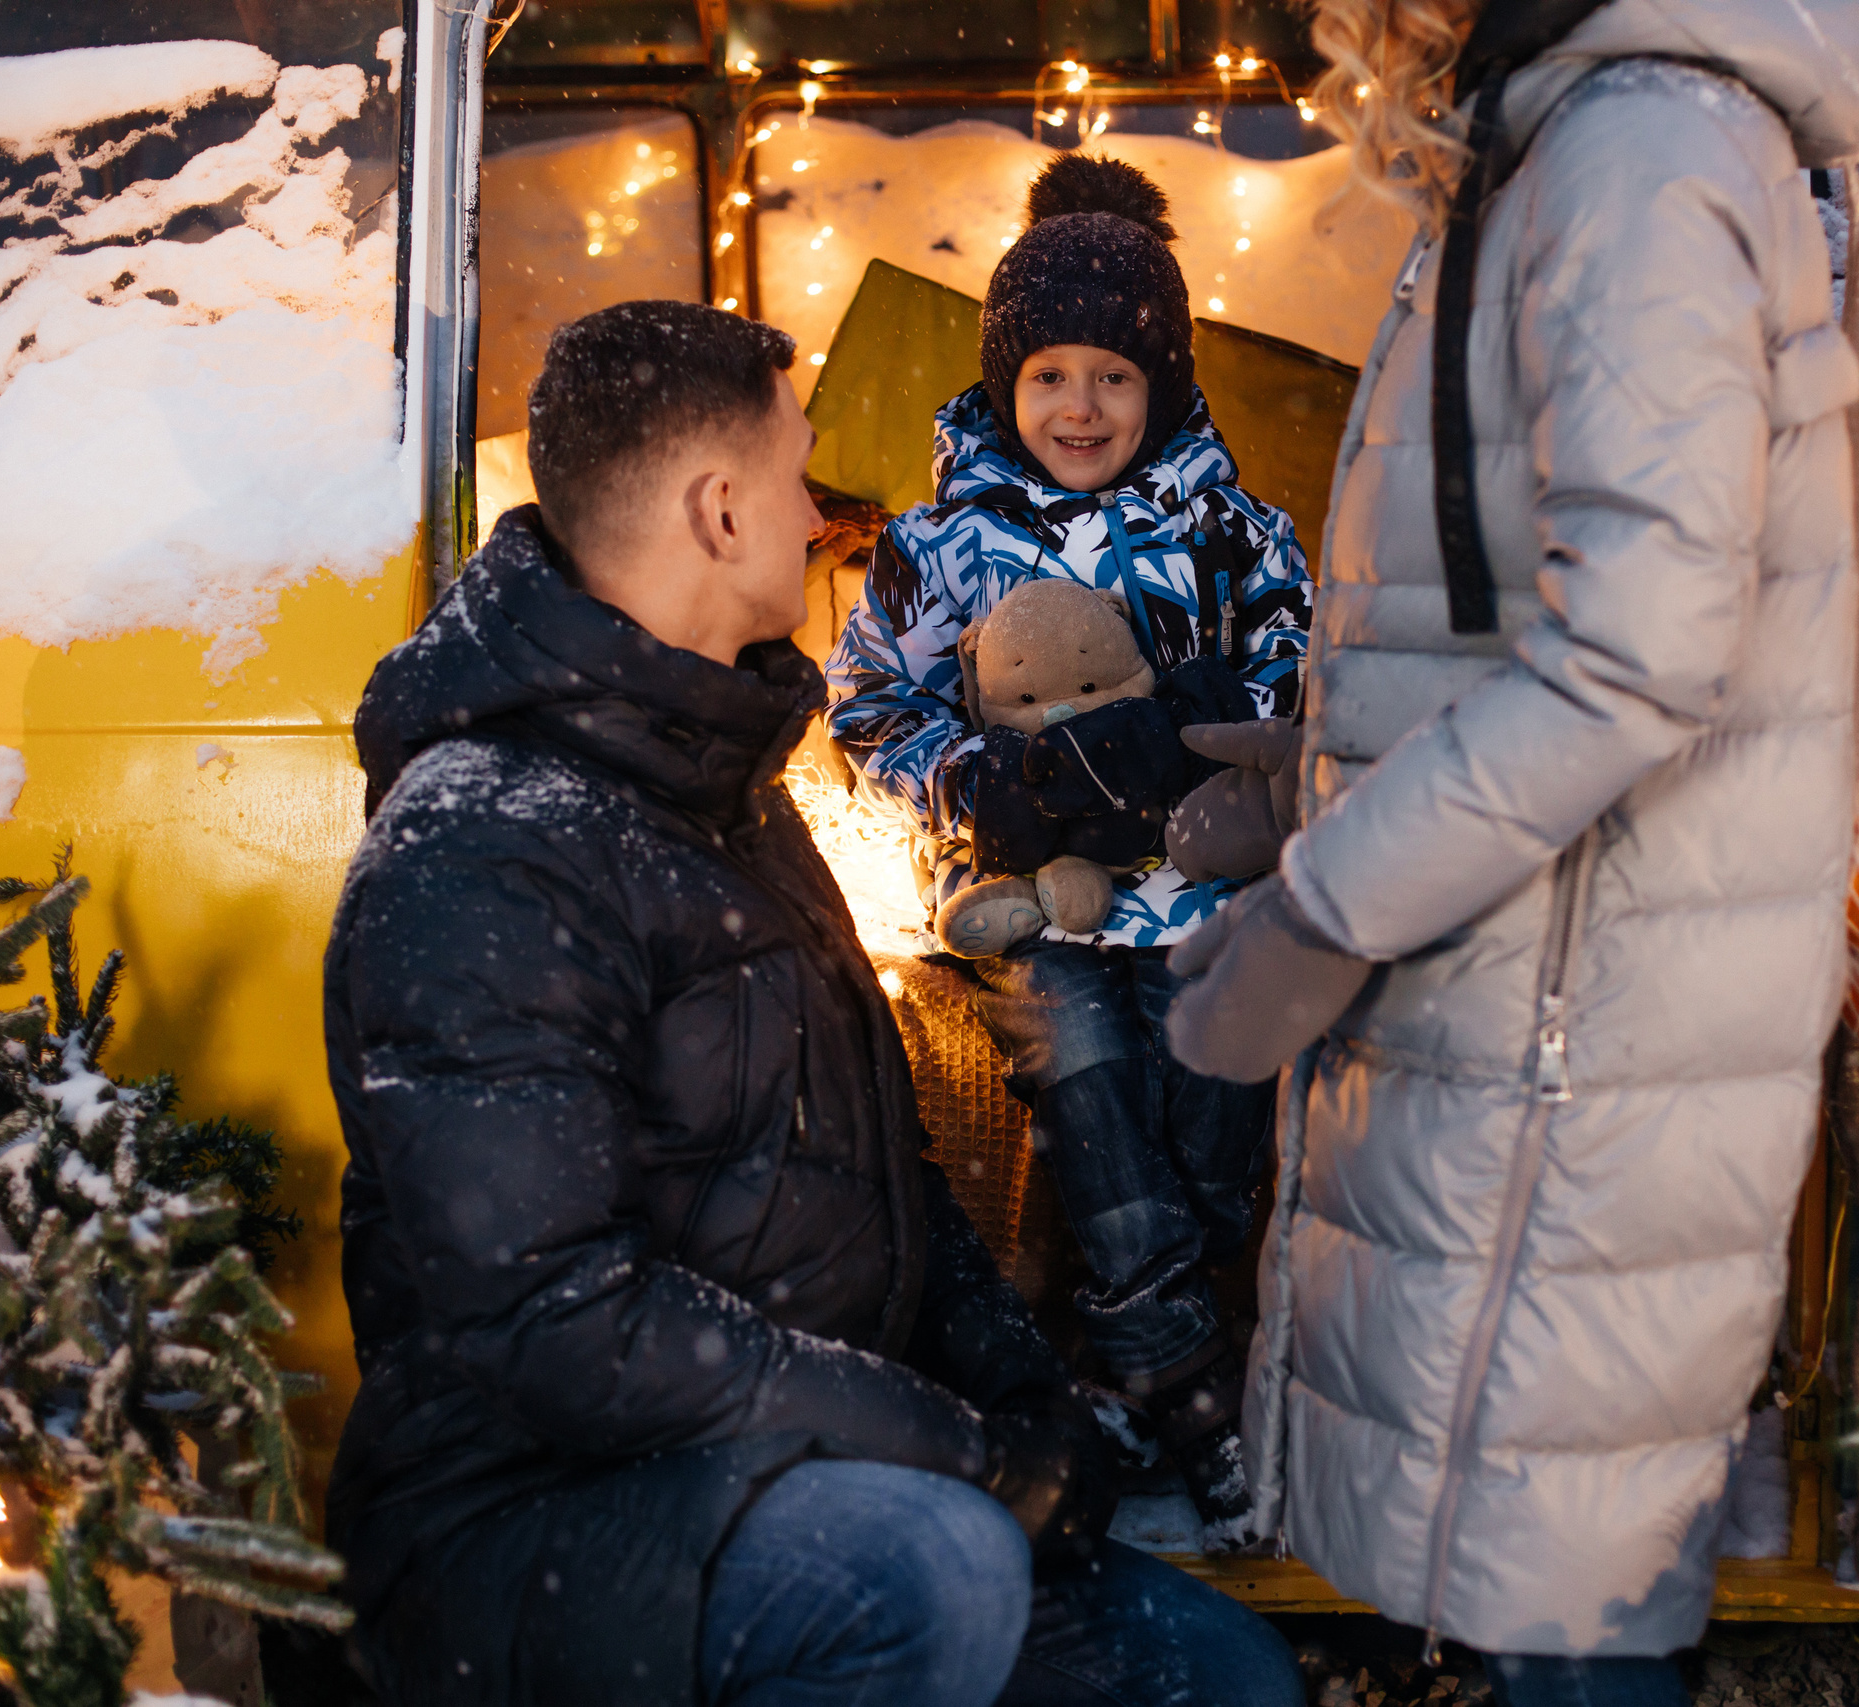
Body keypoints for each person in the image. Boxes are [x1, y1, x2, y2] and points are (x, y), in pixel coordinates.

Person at [322, 299, 1301, 1707]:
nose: (821, 513)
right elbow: (553, 1319)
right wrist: (950, 1450)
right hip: (538, 1514)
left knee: (1220, 1679)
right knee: (936, 1566)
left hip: (816, 1464)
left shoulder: (731, 797)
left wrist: (1029, 1408)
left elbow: (881, 1175)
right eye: (799, 474)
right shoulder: (485, 848)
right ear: (721, 512)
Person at [1166, 0, 1859, 1700]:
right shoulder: (1576, 142)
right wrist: (1326, 777)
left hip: (1582, 1022)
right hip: (1547, 987)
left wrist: (1327, 904)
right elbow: (1531, 598)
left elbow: (1641, 649)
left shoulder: (1637, 157)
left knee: (1562, 1591)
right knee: (1533, 1572)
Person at [825, 154, 1311, 1538]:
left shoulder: (1231, 529)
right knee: (1088, 1083)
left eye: (1111, 375)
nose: (1079, 406)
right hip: (1028, 895)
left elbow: (1300, 660)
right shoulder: (942, 543)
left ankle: (1136, 1366)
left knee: (1211, 1129)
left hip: (1194, 883)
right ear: (1004, 384)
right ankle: (1189, 1387)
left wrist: (1196, 726)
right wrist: (977, 780)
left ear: (1159, 384)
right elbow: (867, 702)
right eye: (1048, 375)